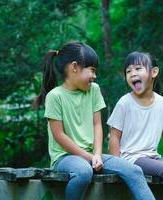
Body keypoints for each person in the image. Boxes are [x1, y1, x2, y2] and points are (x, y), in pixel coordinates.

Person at [34, 42, 155, 200]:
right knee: (84, 172)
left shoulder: (94, 90)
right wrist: (90, 158)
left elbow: (97, 124)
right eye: (92, 70)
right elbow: (59, 135)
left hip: (93, 155)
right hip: (65, 158)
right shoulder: (55, 96)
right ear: (74, 67)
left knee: (134, 170)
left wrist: (97, 154)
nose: (94, 76)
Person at [108, 51, 163, 200]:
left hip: (153, 158)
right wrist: (118, 166)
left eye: (137, 69)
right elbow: (114, 137)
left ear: (154, 72)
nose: (132, 74)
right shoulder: (124, 103)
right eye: (128, 71)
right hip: (131, 158)